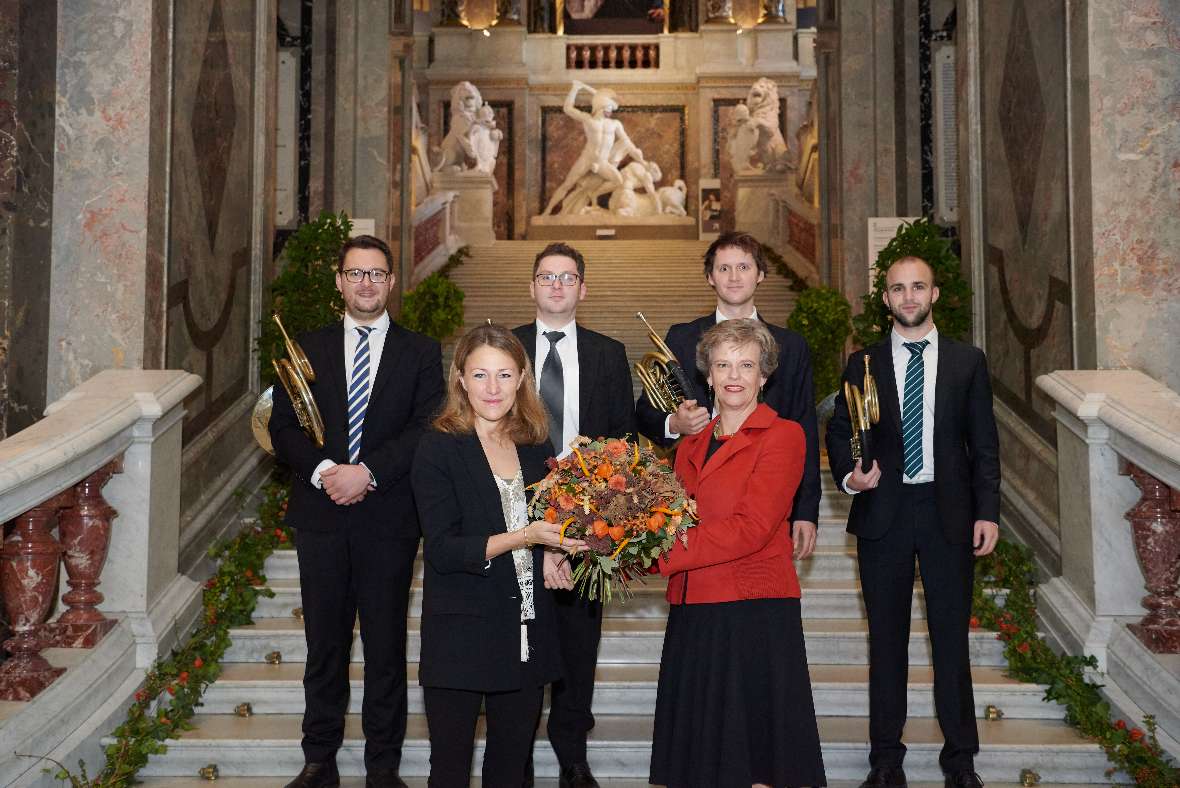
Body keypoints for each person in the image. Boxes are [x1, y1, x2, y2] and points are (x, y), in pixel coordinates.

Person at [269, 234, 444, 788]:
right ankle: (319, 759)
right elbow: (282, 427)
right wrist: (326, 474)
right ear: (340, 282)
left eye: (376, 273)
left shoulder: (420, 352)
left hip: (388, 519)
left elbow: (426, 428)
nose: (366, 283)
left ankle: (382, 766)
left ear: (392, 282)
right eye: (355, 273)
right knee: (324, 645)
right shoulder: (307, 347)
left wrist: (366, 473)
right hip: (320, 517)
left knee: (386, 647)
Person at [825, 255, 1000, 788]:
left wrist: (987, 512)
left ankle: (961, 762)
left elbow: (984, 446)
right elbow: (839, 433)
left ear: (934, 294)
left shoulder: (969, 361)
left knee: (951, 643)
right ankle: (885, 762)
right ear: (886, 299)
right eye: (898, 289)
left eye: (917, 287)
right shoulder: (864, 364)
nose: (908, 297)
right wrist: (851, 478)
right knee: (886, 643)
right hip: (886, 517)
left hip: (949, 515)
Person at [650, 318, 826, 788]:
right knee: (699, 763)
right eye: (723, 364)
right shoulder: (689, 444)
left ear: (764, 375)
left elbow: (750, 529)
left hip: (753, 612)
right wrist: (626, 546)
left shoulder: (784, 435)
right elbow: (669, 523)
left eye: (746, 365)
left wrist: (659, 556)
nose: (734, 375)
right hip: (693, 609)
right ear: (707, 373)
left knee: (755, 762)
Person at [411, 324, 586, 787]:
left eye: (505, 375)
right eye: (481, 375)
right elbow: (445, 549)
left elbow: (544, 527)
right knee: (449, 771)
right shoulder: (436, 447)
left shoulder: (535, 446)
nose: (493, 388)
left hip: (525, 632)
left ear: (522, 378)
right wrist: (523, 536)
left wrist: (552, 553)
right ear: (461, 379)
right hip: (461, 633)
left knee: (512, 770)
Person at [513, 242, 636, 788]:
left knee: (578, 646)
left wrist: (599, 516)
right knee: (515, 641)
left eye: (567, 279)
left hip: (586, 521)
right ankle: (512, 755)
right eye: (547, 277)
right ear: (532, 286)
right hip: (513, 516)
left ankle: (571, 758)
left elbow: (624, 440)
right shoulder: (506, 348)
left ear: (583, 289)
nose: (557, 287)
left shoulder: (609, 354)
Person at [636, 230, 821, 562]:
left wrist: (807, 510)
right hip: (696, 494)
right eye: (724, 268)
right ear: (710, 277)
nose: (734, 277)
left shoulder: (791, 346)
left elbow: (804, 426)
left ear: (760, 274)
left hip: (766, 499)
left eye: (744, 267)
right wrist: (674, 422)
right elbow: (644, 412)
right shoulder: (682, 337)